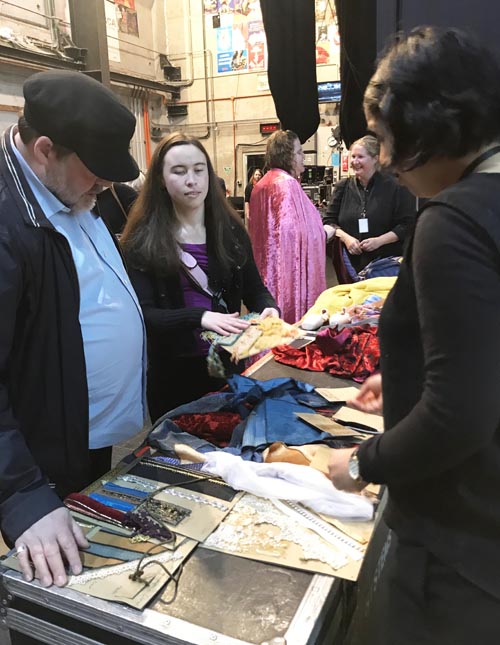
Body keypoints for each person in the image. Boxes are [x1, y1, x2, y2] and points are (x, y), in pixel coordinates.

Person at [328, 26, 500, 644]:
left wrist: (361, 462)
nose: (393, 166)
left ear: (435, 128)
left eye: (393, 142)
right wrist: (410, 369)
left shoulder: (453, 219)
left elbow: (460, 415)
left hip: (461, 546)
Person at [0, 70, 146, 588]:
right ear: (44, 150)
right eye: (96, 172)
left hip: (85, 431)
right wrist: (22, 497)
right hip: (39, 455)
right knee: (61, 586)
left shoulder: (71, 190)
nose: (107, 185)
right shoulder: (7, 219)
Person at [120, 132, 278, 423]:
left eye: (198, 170)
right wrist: (199, 317)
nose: (192, 180)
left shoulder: (230, 230)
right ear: (161, 181)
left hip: (227, 368)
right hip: (173, 376)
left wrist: (269, 308)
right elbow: (143, 314)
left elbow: (255, 289)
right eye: (179, 172)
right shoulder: (142, 240)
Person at [247, 130, 326, 323]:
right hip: (287, 271)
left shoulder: (262, 184)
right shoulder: (287, 184)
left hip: (264, 270)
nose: (303, 156)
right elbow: (295, 233)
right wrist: (324, 233)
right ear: (287, 155)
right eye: (299, 152)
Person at [323, 135, 414, 273]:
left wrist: (379, 241)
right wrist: (346, 239)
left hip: (386, 264)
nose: (355, 161)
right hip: (350, 265)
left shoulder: (396, 187)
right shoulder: (343, 187)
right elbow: (329, 221)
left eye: (360, 157)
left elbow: (407, 224)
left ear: (375, 159)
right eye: (353, 156)